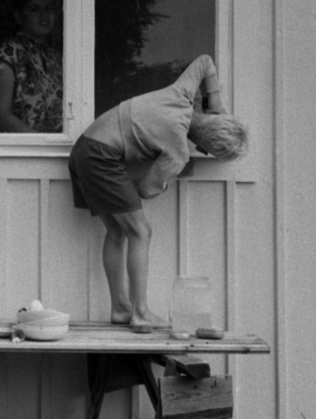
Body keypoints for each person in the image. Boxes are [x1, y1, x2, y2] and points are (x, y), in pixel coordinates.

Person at [68, 55, 248, 332]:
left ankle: (120, 308)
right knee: (141, 231)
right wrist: (170, 175)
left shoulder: (181, 94)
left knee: (117, 231)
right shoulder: (178, 151)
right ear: (206, 148)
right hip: (101, 157)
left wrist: (215, 103)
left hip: (83, 149)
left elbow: (204, 62)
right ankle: (140, 313)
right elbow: (145, 189)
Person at [0, 0, 63, 133]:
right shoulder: (8, 53)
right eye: (35, 9)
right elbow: (1, 115)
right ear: (19, 17)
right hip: (21, 145)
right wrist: (39, 143)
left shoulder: (55, 57)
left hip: (56, 145)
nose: (44, 14)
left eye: (49, 8)